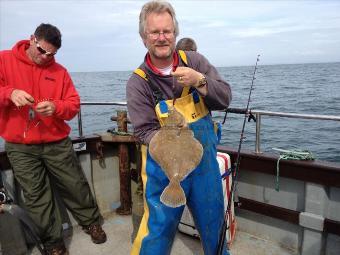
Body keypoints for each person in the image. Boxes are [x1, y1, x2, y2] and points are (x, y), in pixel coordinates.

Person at [126, 1, 232, 254]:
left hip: (204, 166)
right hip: (165, 172)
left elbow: (225, 98)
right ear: (144, 38)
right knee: (158, 231)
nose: (162, 37)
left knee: (214, 224)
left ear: (174, 33)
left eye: (167, 31)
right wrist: (174, 144)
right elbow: (143, 131)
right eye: (155, 32)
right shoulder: (138, 83)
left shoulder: (194, 61)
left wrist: (200, 80)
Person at [0, 23, 106, 255]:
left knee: (75, 184)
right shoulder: (4, 60)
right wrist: (10, 93)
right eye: (41, 50)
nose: (45, 57)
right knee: (36, 196)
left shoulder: (60, 72)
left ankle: (91, 222)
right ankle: (53, 243)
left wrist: (56, 107)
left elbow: (73, 105)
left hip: (57, 141)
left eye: (51, 54)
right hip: (20, 146)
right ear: (31, 39)